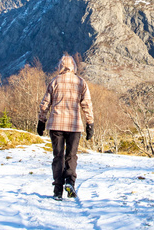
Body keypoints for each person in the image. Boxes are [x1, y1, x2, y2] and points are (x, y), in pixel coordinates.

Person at [37, 54, 94, 201]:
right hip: (74, 126)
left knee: (58, 156)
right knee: (71, 156)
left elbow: (45, 103)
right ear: (74, 67)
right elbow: (87, 105)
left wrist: (41, 121)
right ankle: (70, 181)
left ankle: (57, 189)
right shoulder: (81, 82)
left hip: (56, 124)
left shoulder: (54, 81)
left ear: (60, 66)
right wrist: (90, 123)